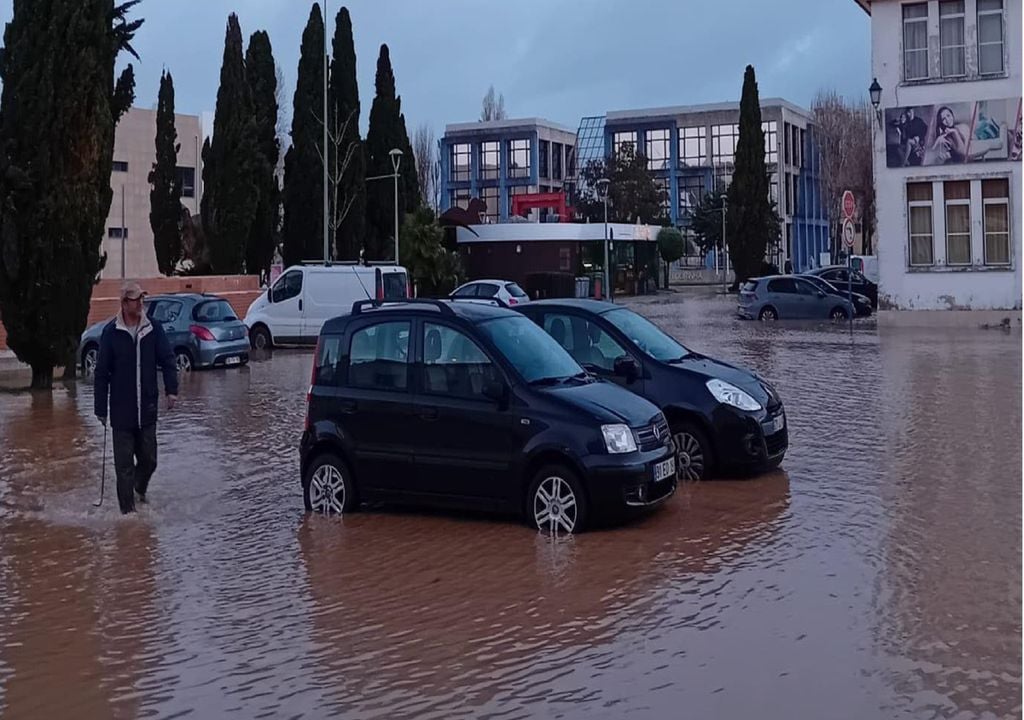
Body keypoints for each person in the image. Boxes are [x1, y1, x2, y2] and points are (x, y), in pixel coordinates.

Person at [94, 281, 179, 514]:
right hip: (121, 412)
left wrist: (172, 391)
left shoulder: (153, 329)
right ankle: (128, 518)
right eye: (135, 299)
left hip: (147, 409)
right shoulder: (111, 333)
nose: (141, 302)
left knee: (149, 459)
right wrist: (100, 409)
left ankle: (138, 490)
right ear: (124, 303)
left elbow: (168, 360)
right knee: (123, 467)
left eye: (142, 298)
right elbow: (101, 373)